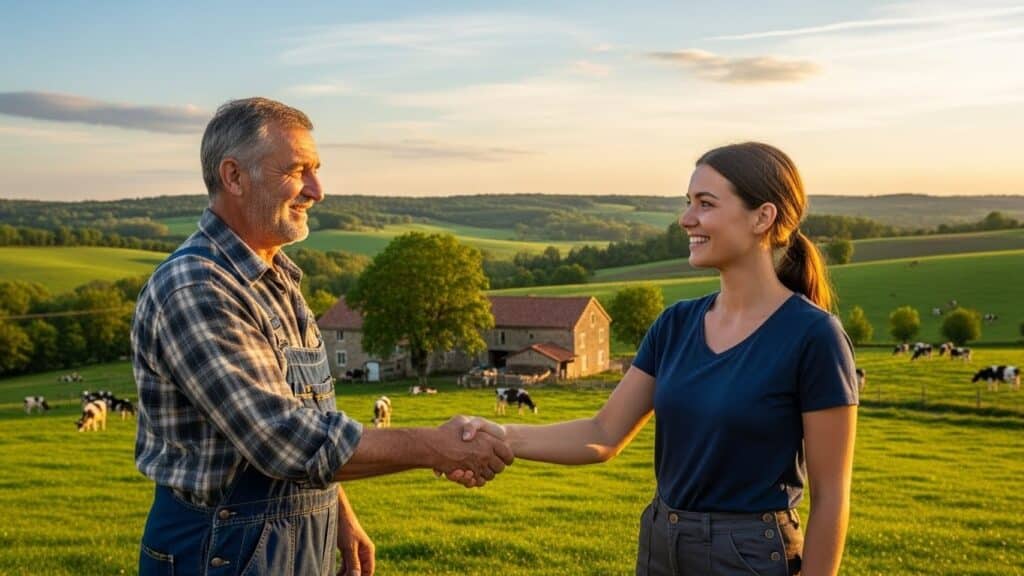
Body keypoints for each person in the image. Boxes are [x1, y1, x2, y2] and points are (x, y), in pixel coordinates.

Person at [132, 97, 511, 576]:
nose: (318, 190)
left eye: (316, 169)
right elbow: (279, 437)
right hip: (219, 547)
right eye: (297, 171)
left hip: (292, 537)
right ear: (234, 177)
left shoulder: (278, 279)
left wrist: (335, 511)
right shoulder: (196, 287)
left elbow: (310, 414)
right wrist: (434, 445)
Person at [458, 142, 858, 575]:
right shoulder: (675, 325)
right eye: (688, 203)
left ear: (763, 217)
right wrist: (501, 434)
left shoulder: (813, 336)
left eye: (705, 204)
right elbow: (602, 433)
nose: (686, 219)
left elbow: (831, 494)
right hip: (662, 545)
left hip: (750, 556)